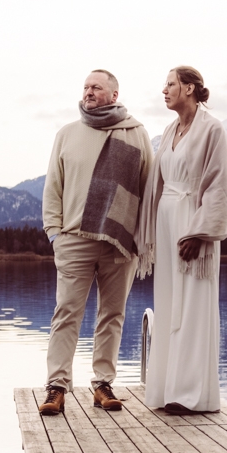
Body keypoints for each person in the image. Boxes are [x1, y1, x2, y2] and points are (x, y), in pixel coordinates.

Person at [38, 69, 153, 416]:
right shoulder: (67, 134)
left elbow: (148, 189)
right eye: (86, 87)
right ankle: (57, 386)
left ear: (114, 95)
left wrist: (140, 239)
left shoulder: (136, 134)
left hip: (120, 243)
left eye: (96, 88)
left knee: (112, 314)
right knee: (66, 313)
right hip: (73, 239)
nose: (88, 92)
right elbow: (52, 187)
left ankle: (103, 384)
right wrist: (55, 234)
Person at [136, 66, 227, 414]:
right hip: (167, 222)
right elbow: (158, 182)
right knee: (169, 303)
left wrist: (200, 233)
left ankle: (191, 394)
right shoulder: (169, 131)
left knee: (193, 304)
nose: (164, 90)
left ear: (190, 87)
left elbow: (219, 184)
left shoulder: (211, 129)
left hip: (191, 223)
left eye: (169, 84)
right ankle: (168, 388)